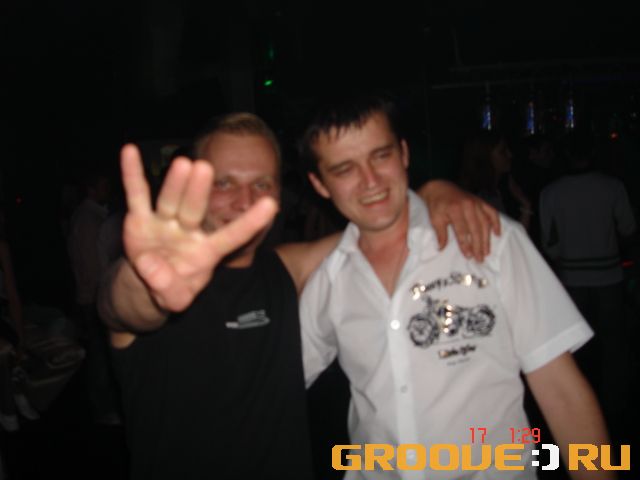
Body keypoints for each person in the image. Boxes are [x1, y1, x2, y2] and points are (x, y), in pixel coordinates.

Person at [98, 112, 499, 480]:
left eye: (261, 184)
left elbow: (380, 228)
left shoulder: (288, 269)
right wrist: (146, 280)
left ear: (279, 196)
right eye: (224, 183)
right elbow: (123, 307)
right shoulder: (147, 279)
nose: (244, 201)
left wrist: (432, 192)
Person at [298, 94, 614, 479]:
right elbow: (273, 386)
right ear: (319, 184)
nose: (370, 180)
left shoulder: (492, 242)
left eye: (381, 156)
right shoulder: (330, 279)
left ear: (404, 154)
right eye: (345, 169)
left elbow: (561, 390)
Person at [539, 132, 637, 443]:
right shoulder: (613, 187)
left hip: (571, 281)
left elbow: (550, 245)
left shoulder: (552, 192)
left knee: (574, 352)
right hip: (608, 277)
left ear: (566, 155)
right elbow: (629, 229)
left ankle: (577, 414)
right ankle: (615, 411)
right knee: (614, 348)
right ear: (593, 152)